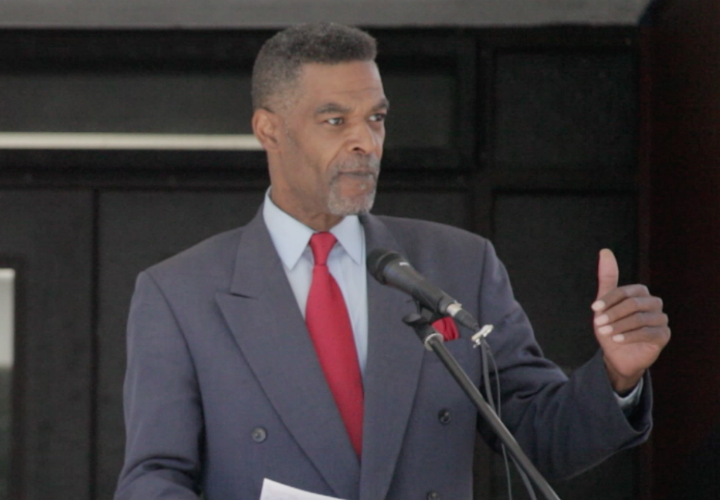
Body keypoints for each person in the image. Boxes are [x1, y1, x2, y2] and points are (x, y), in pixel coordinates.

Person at [114, 23, 670, 500]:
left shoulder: (459, 263)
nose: (366, 142)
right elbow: (155, 477)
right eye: (336, 121)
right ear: (270, 129)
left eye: (376, 118)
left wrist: (617, 375)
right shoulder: (180, 293)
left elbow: (538, 438)